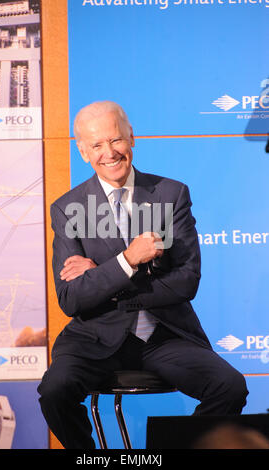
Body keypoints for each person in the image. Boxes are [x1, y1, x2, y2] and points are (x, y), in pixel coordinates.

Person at [37, 101, 248, 449]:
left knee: (230, 387)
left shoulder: (170, 194)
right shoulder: (67, 208)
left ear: (131, 137)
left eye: (116, 140)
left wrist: (105, 278)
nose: (109, 152)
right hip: (94, 336)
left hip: (164, 334)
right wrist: (128, 259)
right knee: (54, 391)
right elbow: (71, 298)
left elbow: (186, 281)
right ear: (83, 151)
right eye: (97, 145)